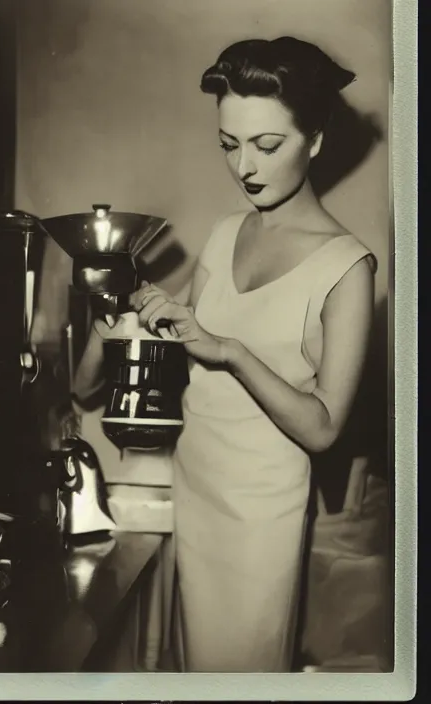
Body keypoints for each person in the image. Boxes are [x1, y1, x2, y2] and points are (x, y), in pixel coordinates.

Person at [73, 36, 377, 672]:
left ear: (315, 139)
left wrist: (230, 351)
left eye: (268, 145)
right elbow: (146, 354)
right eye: (229, 144)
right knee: (186, 668)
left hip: (261, 516)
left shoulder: (347, 268)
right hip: (194, 490)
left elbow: (323, 429)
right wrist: (120, 319)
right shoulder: (223, 233)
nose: (245, 167)